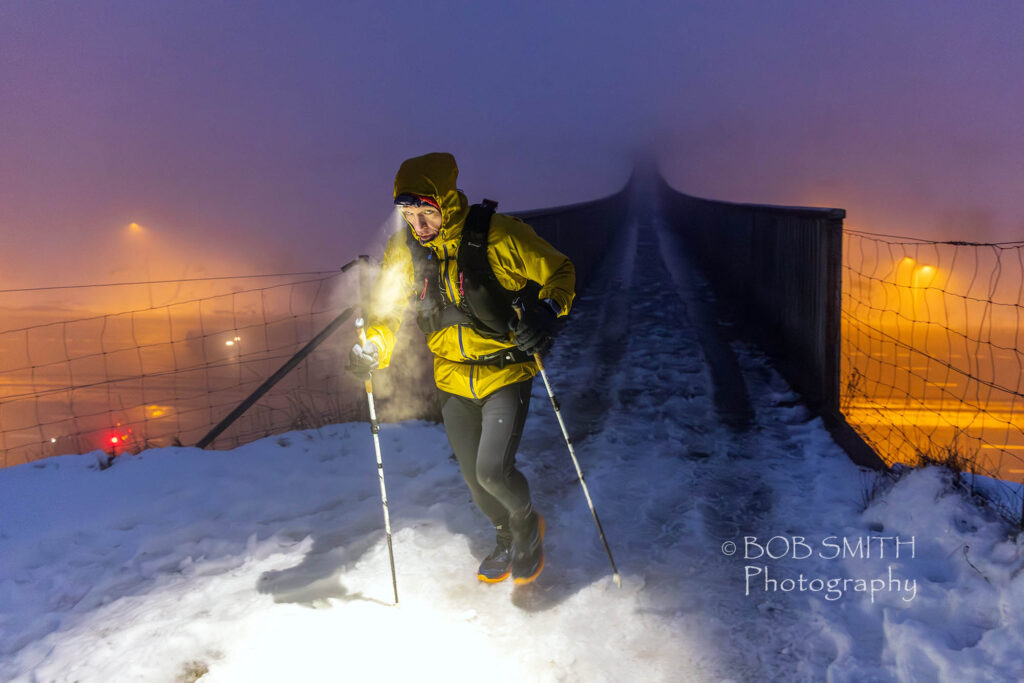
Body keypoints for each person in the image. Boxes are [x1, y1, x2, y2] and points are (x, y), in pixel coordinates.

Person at [348, 152, 574, 585]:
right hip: (451, 377)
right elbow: (388, 310)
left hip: (504, 372)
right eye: (409, 214)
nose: (419, 224)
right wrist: (373, 348)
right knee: (474, 482)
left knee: (494, 471)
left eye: (426, 213)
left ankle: (527, 526)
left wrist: (547, 311)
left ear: (446, 203)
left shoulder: (497, 235)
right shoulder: (406, 249)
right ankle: (504, 533)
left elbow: (560, 270)